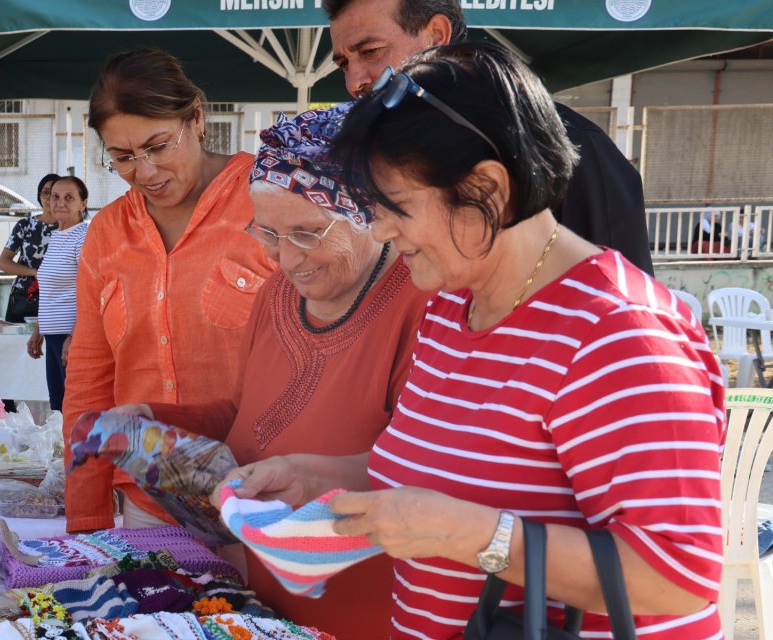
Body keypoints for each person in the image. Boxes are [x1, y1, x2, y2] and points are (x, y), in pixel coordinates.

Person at [223, 42, 724, 638]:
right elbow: (447, 473)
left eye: (395, 206)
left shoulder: (619, 333)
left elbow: (676, 577)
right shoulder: (451, 306)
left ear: (484, 189)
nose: (378, 229)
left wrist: (473, 536)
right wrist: (313, 477)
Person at [109, 104, 430, 638]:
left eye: (307, 233)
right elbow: (244, 411)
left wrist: (308, 477)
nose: (285, 259)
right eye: (269, 233)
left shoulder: (423, 307)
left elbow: (428, 470)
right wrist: (157, 418)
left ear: (369, 214)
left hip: (375, 605)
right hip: (271, 598)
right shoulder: (277, 294)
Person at [63, 48, 277, 533]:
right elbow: (89, 385)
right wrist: (88, 520)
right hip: (149, 503)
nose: (145, 172)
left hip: (260, 495)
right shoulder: (107, 234)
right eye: (122, 157)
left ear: (196, 118)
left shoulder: (268, 202)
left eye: (158, 147)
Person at [323, 0, 655, 275]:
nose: (353, 81)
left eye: (370, 51)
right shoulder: (382, 156)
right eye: (344, 64)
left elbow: (620, 293)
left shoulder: (574, 144)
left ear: (436, 35)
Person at [26, 176, 90, 412]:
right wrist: (39, 330)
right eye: (55, 197)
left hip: (70, 336)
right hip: (54, 335)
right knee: (58, 407)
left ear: (83, 203)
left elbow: (90, 290)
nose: (60, 203)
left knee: (74, 408)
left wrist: (75, 337)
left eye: (69, 198)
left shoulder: (84, 236)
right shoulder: (59, 235)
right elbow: (51, 290)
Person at [0, 174, 60, 323]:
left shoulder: (70, 229)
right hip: (23, 298)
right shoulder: (25, 225)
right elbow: (3, 263)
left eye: (55, 194)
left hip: (57, 299)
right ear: (39, 196)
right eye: (46, 193)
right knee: (18, 337)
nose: (50, 198)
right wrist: (35, 272)